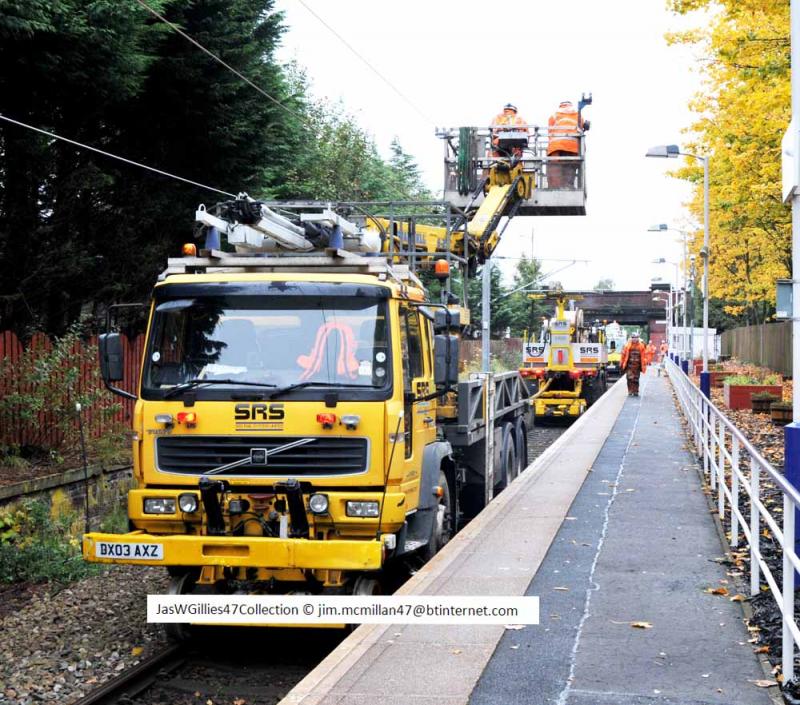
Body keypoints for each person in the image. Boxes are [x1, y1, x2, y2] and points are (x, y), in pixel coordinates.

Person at [547, 100, 587, 189]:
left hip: (556, 147)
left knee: (555, 171)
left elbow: (550, 133)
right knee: (570, 170)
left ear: (561, 106)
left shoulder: (554, 115)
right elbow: (581, 131)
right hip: (573, 148)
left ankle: (556, 189)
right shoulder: (578, 115)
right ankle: (568, 187)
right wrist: (583, 149)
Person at [620, 332, 648, 397]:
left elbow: (645, 353)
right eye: (633, 338)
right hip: (629, 366)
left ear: (638, 338)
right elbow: (623, 355)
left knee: (636, 379)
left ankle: (636, 391)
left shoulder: (641, 346)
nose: (635, 339)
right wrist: (621, 363)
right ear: (631, 338)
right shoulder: (627, 346)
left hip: (637, 366)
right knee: (629, 378)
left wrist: (644, 363)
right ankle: (630, 391)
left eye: (636, 338)